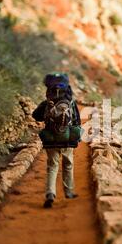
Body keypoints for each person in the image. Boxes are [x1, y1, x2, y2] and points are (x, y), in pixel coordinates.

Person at [32, 73, 81, 208]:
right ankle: (69, 192)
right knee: (68, 165)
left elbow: (35, 116)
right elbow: (77, 120)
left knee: (52, 166)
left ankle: (50, 193)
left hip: (51, 139)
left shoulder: (47, 103)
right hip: (67, 140)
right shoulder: (71, 103)